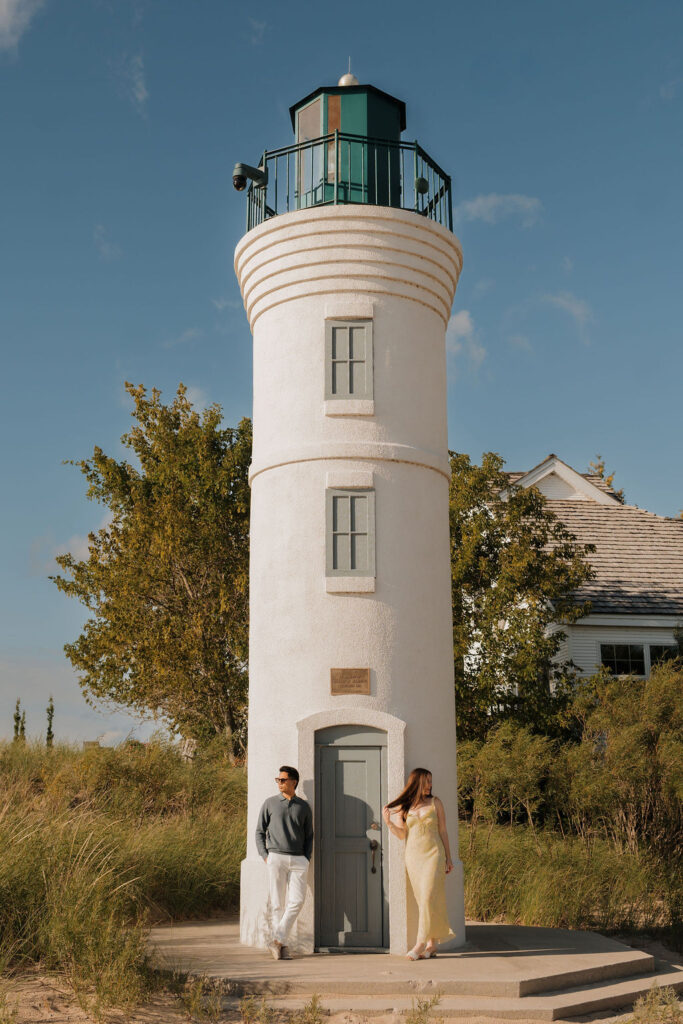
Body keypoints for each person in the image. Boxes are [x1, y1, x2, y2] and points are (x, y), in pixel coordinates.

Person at [382, 767, 454, 960]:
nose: (430, 785)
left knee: (428, 896)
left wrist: (449, 857)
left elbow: (444, 831)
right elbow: (403, 835)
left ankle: (420, 943)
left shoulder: (435, 803)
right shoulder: (406, 807)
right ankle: (432, 945)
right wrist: (389, 824)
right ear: (417, 783)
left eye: (431, 781)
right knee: (424, 899)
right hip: (414, 857)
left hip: (434, 855)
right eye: (427, 781)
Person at [256, 765, 313, 960]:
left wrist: (306, 857)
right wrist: (265, 855)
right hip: (276, 857)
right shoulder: (270, 803)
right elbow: (259, 832)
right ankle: (283, 946)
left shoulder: (304, 807)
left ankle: (276, 940)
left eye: (283, 780)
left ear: (293, 782)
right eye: (278, 780)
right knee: (277, 903)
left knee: (297, 901)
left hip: (299, 859)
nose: (279, 783)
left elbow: (309, 836)